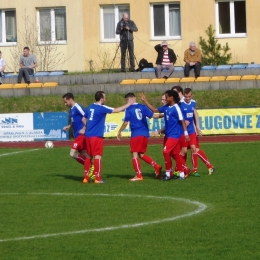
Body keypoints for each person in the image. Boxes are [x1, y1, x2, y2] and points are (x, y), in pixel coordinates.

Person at [82, 91, 134, 184]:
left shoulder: (90, 107)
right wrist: (128, 104)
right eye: (105, 97)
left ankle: (86, 177)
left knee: (89, 156)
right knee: (98, 156)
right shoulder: (102, 108)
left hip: (88, 135)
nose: (106, 99)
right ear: (101, 99)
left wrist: (89, 126)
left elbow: (83, 119)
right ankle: (97, 178)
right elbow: (117, 110)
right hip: (96, 136)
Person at [139, 91, 191, 180]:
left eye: (167, 97)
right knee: (175, 154)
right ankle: (182, 174)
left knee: (166, 152)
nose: (165, 99)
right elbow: (155, 110)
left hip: (174, 135)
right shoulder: (166, 107)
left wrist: (186, 134)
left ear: (172, 98)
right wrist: (145, 101)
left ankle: (168, 173)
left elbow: (182, 121)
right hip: (168, 135)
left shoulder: (176, 108)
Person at [117, 93, 162, 181]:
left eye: (128, 100)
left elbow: (126, 123)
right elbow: (154, 116)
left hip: (136, 134)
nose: (128, 102)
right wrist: (165, 114)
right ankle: (156, 166)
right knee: (141, 154)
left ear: (132, 99)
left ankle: (139, 175)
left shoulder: (128, 109)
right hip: (145, 133)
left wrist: (119, 131)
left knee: (134, 154)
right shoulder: (143, 106)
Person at [172, 86, 214, 175]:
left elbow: (195, 114)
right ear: (183, 95)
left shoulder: (193, 103)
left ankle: (196, 170)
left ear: (191, 96)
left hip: (191, 130)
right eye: (186, 97)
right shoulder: (179, 104)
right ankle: (178, 169)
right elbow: (176, 116)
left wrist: (197, 127)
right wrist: (182, 121)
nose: (187, 99)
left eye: (189, 97)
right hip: (182, 131)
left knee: (194, 148)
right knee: (183, 151)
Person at [62, 93, 94, 174]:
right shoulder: (71, 109)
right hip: (77, 135)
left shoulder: (77, 107)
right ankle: (94, 172)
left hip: (81, 135)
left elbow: (87, 117)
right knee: (85, 155)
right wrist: (69, 126)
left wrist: (84, 128)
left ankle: (90, 166)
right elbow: (75, 121)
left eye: (66, 102)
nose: (65, 104)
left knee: (73, 153)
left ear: (70, 99)